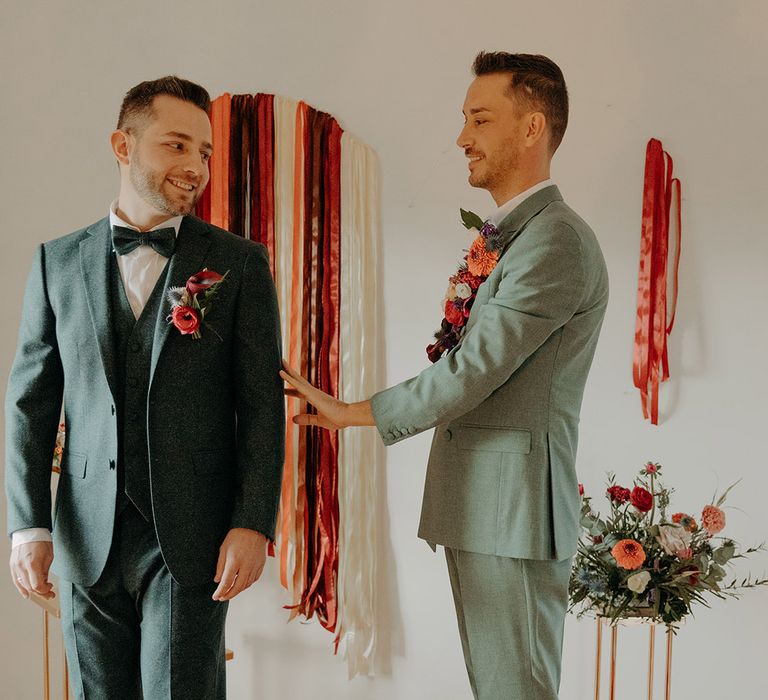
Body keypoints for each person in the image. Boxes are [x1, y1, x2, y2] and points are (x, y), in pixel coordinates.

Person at [281, 52, 609, 699]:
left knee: (515, 691)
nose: (462, 137)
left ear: (532, 128)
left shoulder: (555, 240)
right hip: (488, 506)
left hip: (513, 509)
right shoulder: (519, 236)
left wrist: (353, 412)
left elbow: (473, 369)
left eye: (480, 119)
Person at [5, 76, 285, 699]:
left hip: (192, 537)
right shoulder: (56, 263)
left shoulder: (238, 264)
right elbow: (29, 403)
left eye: (204, 152)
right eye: (176, 145)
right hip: (85, 537)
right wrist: (28, 526)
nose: (196, 167)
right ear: (122, 145)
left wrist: (253, 521)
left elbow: (261, 406)